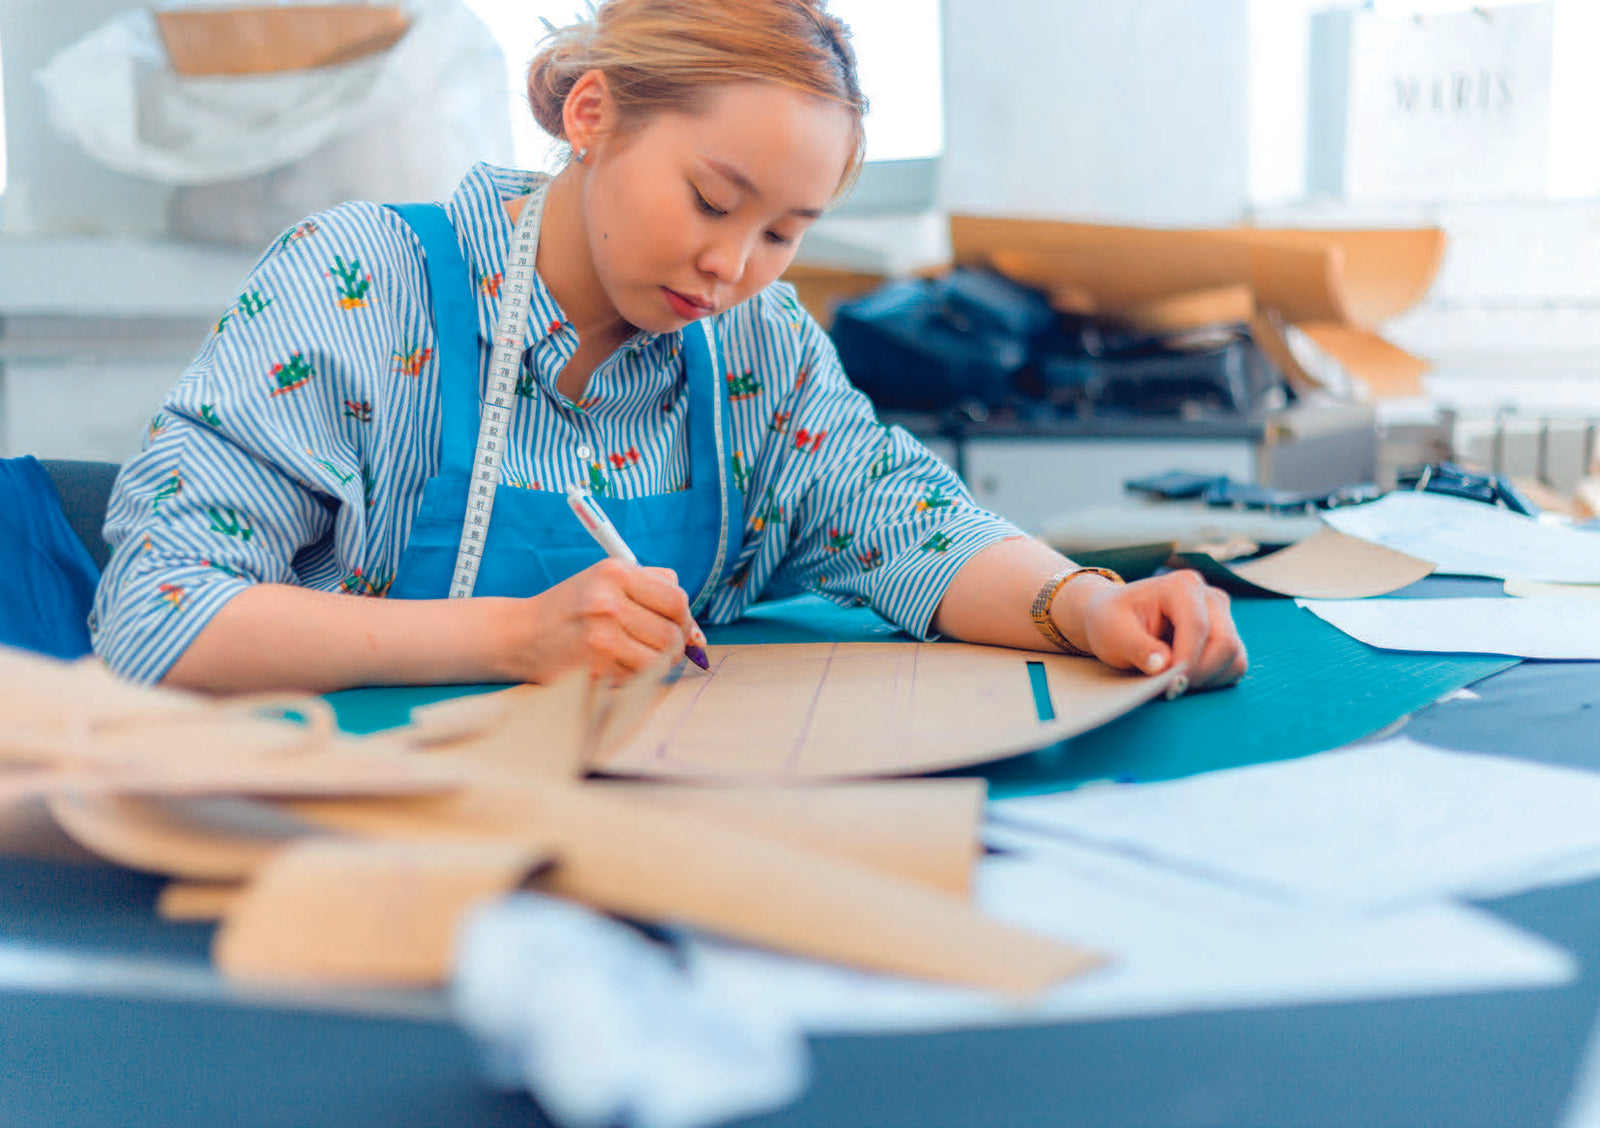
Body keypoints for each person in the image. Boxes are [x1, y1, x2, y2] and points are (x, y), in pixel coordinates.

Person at [92, 0, 1247, 695]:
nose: (731, 267)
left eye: (783, 232)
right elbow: (157, 614)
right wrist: (517, 634)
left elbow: (909, 522)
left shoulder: (754, 351)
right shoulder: (358, 289)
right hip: (342, 838)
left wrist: (1085, 606)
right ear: (590, 117)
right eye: (709, 199)